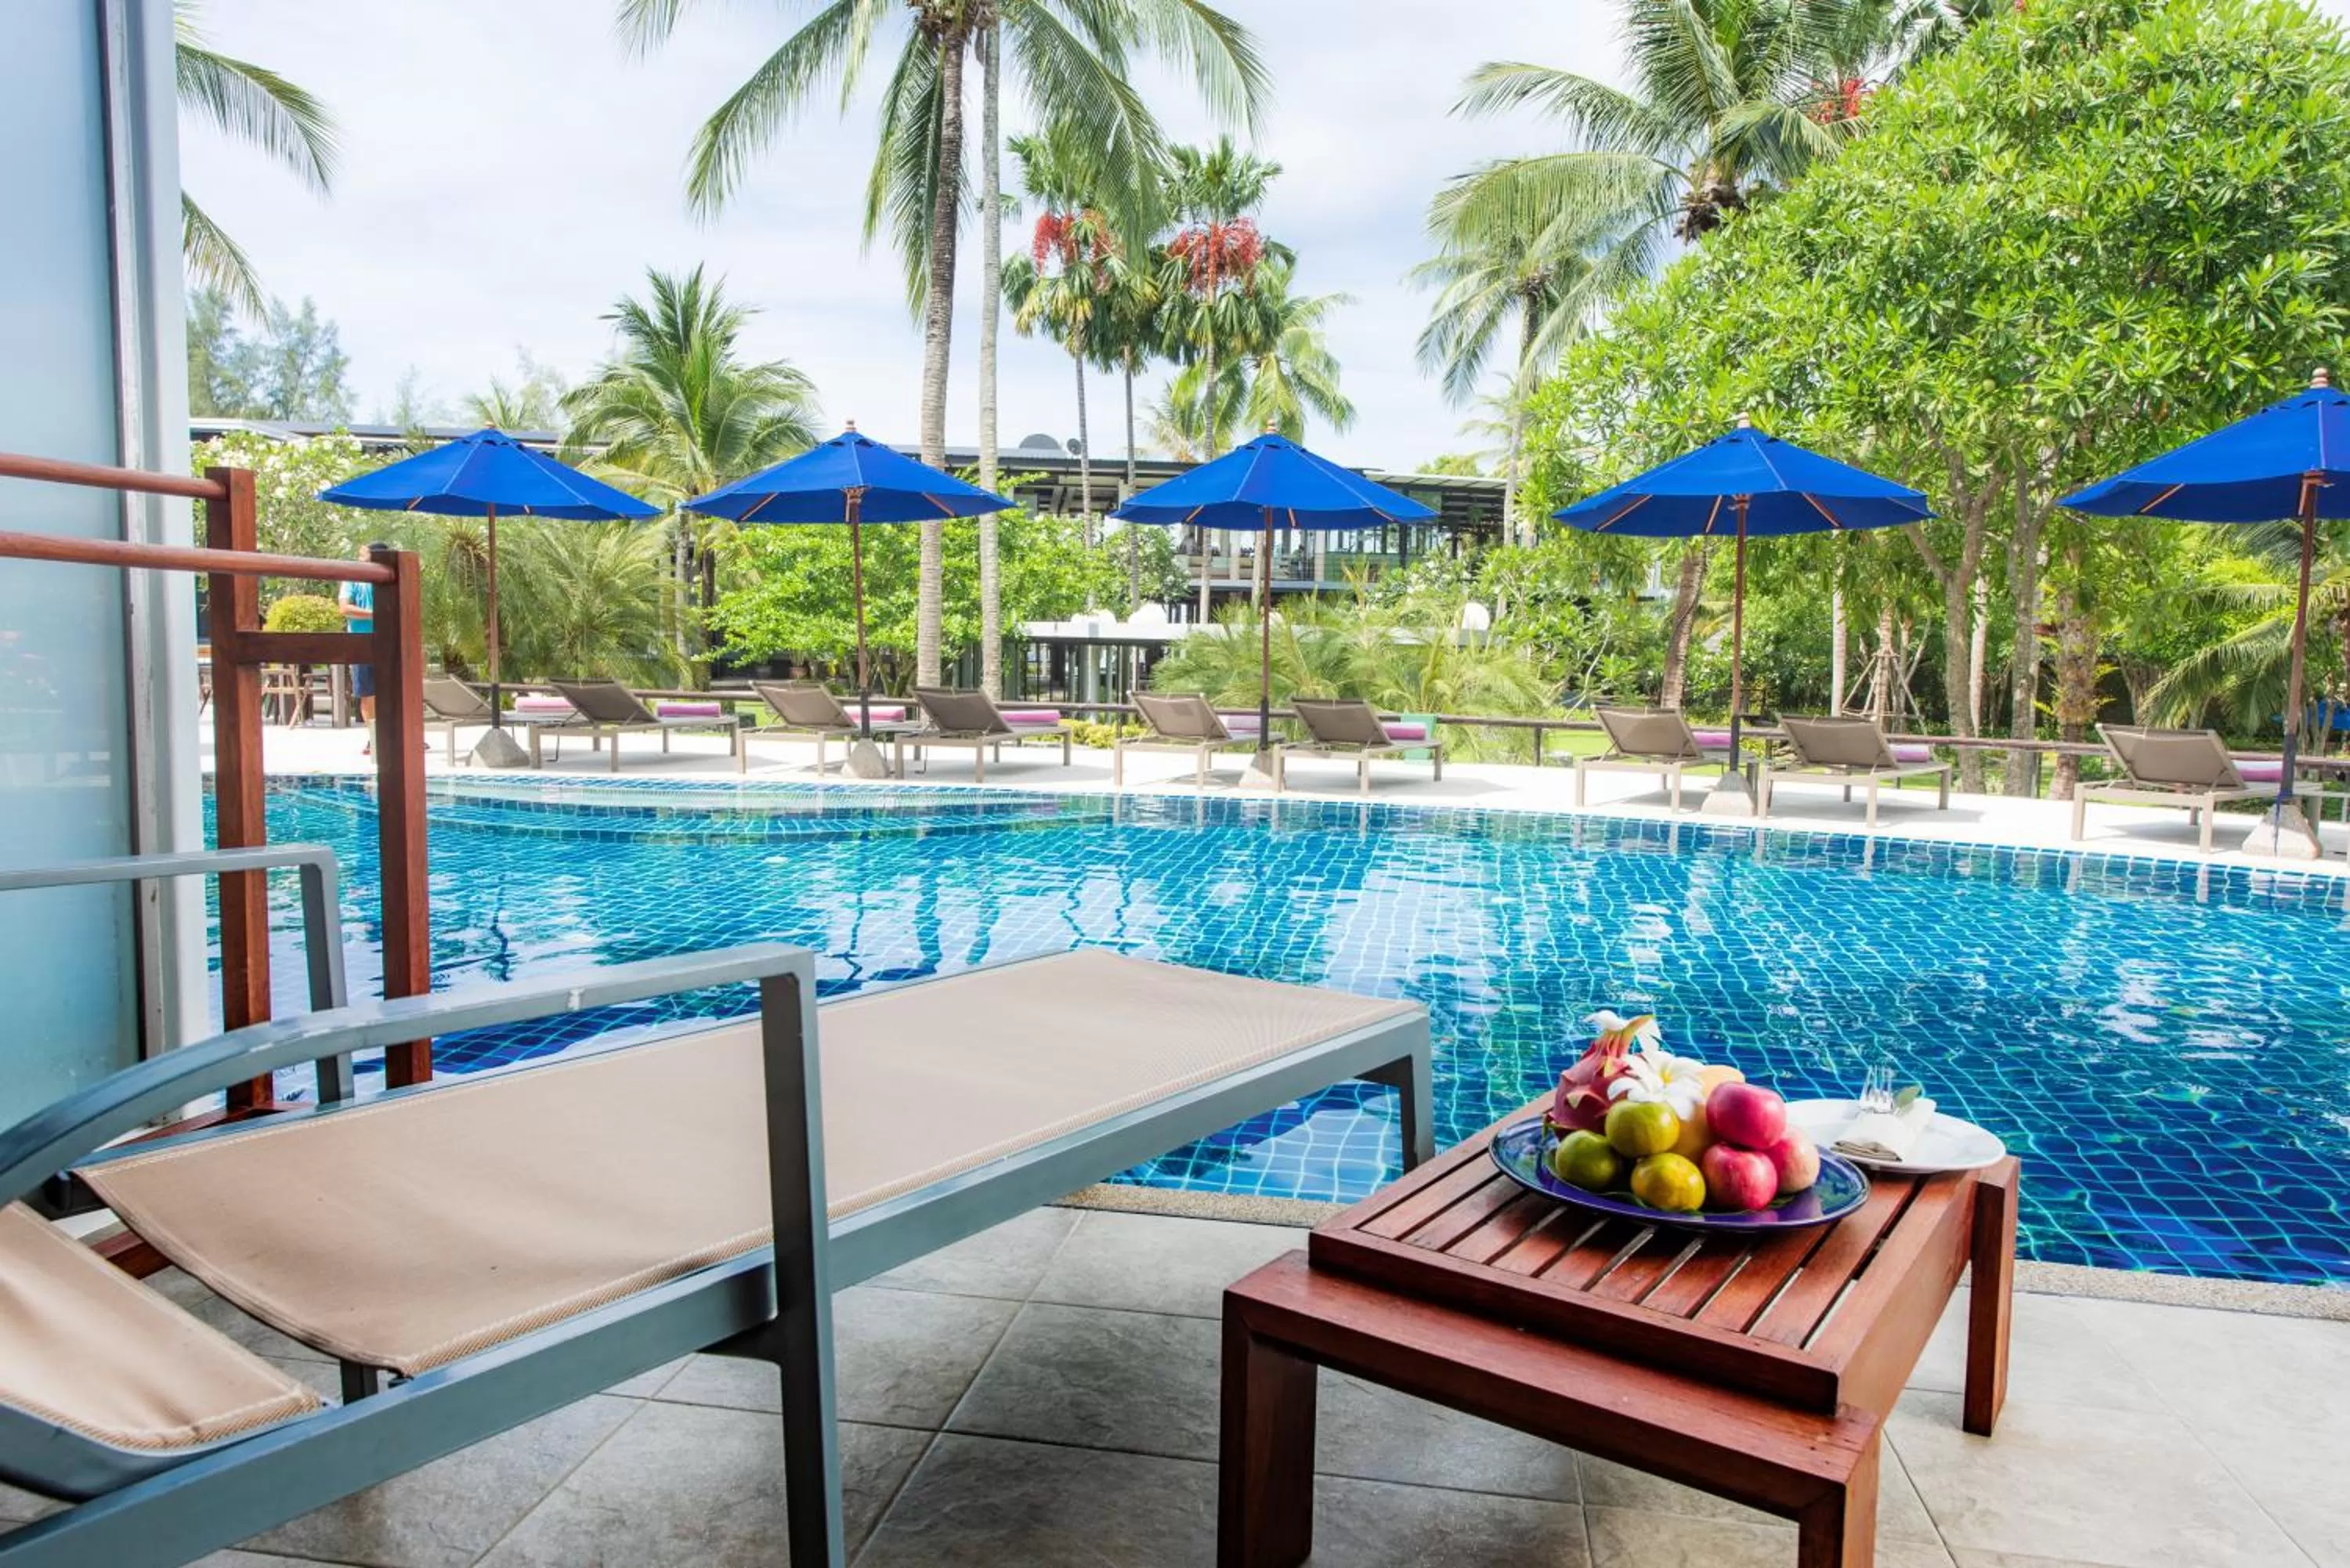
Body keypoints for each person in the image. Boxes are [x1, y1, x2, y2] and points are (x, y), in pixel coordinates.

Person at [340, 544, 384, 755]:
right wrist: (376, 614)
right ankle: (374, 739)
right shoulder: (352, 579)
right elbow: (344, 608)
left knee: (396, 691)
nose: (360, 559)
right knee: (367, 693)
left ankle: (402, 736)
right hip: (361, 643)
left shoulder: (392, 579)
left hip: (390, 641)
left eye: (363, 556)